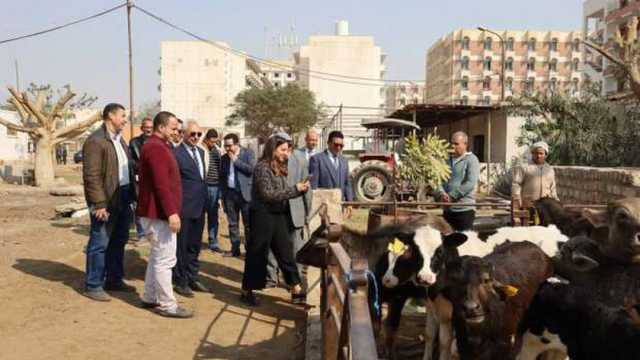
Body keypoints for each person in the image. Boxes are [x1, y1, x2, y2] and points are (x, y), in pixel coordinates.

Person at [241, 133, 310, 306]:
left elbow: (281, 190)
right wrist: (295, 189)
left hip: (277, 214)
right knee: (257, 253)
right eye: (283, 150)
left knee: (285, 252)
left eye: (287, 150)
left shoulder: (279, 166)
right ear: (273, 149)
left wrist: (298, 189)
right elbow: (269, 194)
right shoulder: (262, 167)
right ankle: (247, 290)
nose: (286, 154)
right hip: (262, 216)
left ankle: (295, 288)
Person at [137, 111, 192, 318]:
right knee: (165, 260)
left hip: (157, 213)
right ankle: (167, 304)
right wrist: (172, 213)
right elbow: (161, 185)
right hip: (158, 214)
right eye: (173, 128)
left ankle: (150, 296)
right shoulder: (155, 148)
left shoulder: (159, 146)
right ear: (161, 127)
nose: (176, 132)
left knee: (156, 257)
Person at [81, 103, 136, 302]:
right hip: (105, 200)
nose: (125, 119)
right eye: (122, 116)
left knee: (118, 241)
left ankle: (114, 279)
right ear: (110, 116)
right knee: (99, 243)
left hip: (122, 197)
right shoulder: (96, 141)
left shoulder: (120, 140)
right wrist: (99, 204)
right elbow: (92, 176)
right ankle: (93, 285)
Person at [172, 120, 209, 297]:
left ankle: (192, 276)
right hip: (183, 208)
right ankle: (180, 280)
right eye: (192, 134)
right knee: (182, 245)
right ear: (184, 134)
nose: (195, 137)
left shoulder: (201, 152)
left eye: (198, 134)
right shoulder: (176, 154)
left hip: (200, 207)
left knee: (195, 245)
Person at [434, 131, 480, 232]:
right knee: (447, 240)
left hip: (464, 210)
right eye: (452, 143)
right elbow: (438, 180)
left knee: (463, 241)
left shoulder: (471, 160)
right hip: (448, 210)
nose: (453, 146)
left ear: (465, 144)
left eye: (456, 144)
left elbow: (470, 183)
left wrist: (452, 196)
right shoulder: (447, 160)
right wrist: (441, 193)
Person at [220, 133, 255, 257]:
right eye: (225, 146)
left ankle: (249, 250)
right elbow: (222, 178)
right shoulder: (223, 158)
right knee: (232, 223)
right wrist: (222, 197)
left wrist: (236, 160)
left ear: (237, 143)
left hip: (245, 195)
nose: (227, 149)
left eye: (229, 146)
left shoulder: (248, 153)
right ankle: (235, 249)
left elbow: (251, 170)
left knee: (248, 225)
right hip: (230, 194)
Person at [511, 141, 559, 211]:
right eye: (536, 153)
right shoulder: (524, 167)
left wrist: (556, 201)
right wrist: (517, 200)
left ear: (545, 155)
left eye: (541, 153)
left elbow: (553, 188)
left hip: (546, 206)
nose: (538, 156)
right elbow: (516, 184)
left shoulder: (549, 169)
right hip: (528, 205)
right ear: (532, 154)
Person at [309, 130, 354, 202]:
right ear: (328, 143)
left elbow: (347, 184)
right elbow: (314, 186)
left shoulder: (344, 161)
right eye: (336, 144)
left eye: (341, 146)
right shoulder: (317, 159)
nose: (338, 148)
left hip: (340, 205)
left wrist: (350, 203)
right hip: (324, 206)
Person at [129, 117, 154, 243]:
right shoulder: (134, 142)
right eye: (146, 127)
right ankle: (141, 234)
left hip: (154, 179)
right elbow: (130, 160)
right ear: (142, 128)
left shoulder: (157, 141)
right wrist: (141, 167)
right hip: (139, 179)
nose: (149, 130)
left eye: (151, 127)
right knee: (138, 206)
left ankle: (151, 232)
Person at [201, 128, 223, 253]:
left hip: (215, 187)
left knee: (213, 215)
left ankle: (213, 242)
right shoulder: (200, 149)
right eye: (212, 142)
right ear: (207, 139)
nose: (213, 144)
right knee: (199, 215)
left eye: (215, 142)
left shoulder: (217, 150)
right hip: (203, 186)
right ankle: (196, 240)